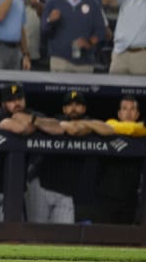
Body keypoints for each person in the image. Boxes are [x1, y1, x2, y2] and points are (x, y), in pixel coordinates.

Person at [0, 84, 62, 222]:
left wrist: (34, 120)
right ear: (4, 104)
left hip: (12, 189)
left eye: (19, 99)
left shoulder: (32, 114)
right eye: (11, 100)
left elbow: (58, 128)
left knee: (11, 236)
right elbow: (20, 128)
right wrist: (35, 123)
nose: (16, 103)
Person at [28, 91, 114, 224]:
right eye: (69, 105)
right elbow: (72, 130)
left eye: (77, 104)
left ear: (84, 108)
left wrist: (87, 124)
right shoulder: (57, 119)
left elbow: (109, 130)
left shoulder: (89, 123)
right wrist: (84, 126)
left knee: (64, 237)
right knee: (35, 234)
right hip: (42, 186)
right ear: (64, 109)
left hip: (66, 193)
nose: (73, 108)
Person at [42, 0, 107, 73]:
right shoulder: (53, 1)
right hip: (59, 60)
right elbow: (44, 31)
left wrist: (89, 43)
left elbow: (100, 31)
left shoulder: (92, 1)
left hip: (85, 62)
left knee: (83, 90)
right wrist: (50, 20)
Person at [99, 96, 146, 223]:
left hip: (132, 195)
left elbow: (133, 129)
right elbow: (129, 129)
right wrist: (138, 127)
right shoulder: (111, 123)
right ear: (119, 113)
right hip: (108, 194)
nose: (128, 113)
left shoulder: (144, 130)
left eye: (132, 109)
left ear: (137, 114)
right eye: (124, 109)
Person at [102, 0, 146, 75]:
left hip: (144, 54)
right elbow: (106, 0)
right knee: (113, 91)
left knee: (142, 92)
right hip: (120, 53)